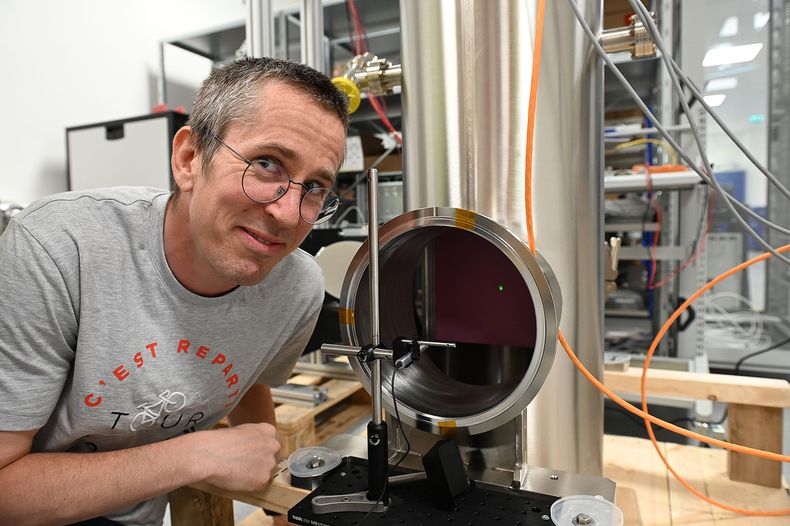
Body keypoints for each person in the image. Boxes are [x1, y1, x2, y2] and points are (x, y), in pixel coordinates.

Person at [0, 57, 349, 526]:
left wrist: (279, 499)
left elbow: (253, 380)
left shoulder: (296, 285)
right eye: (266, 164)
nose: (289, 215)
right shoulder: (61, 248)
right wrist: (193, 455)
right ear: (189, 159)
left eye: (314, 187)